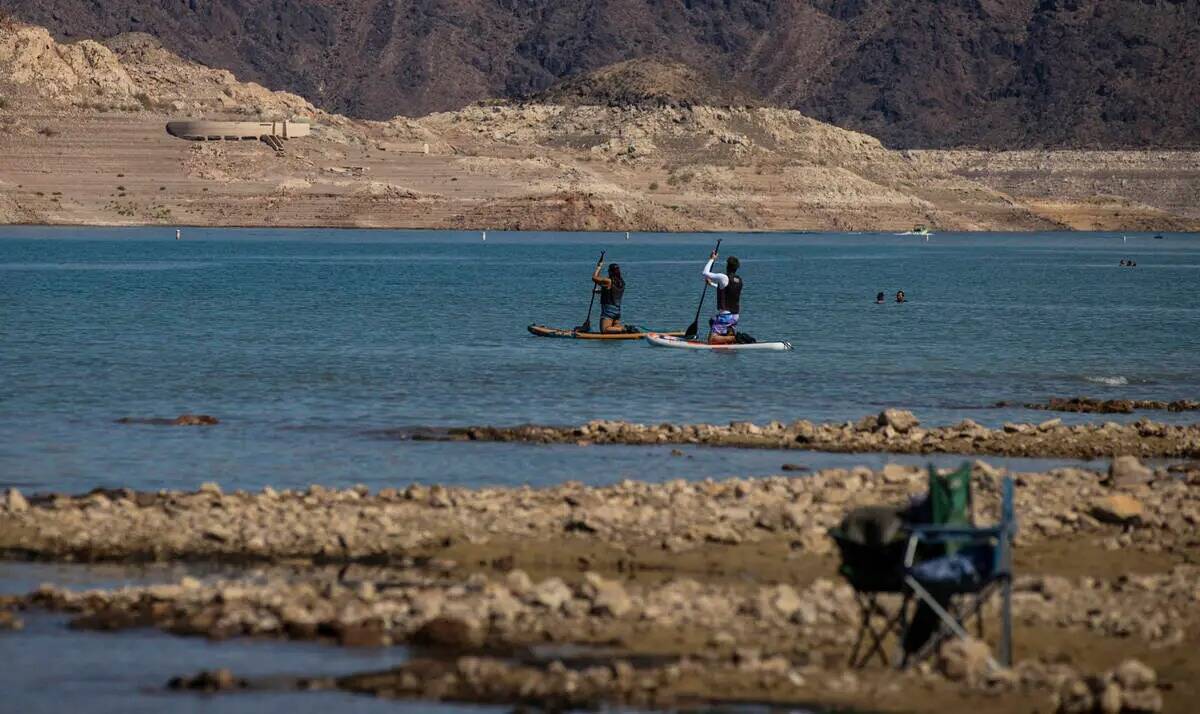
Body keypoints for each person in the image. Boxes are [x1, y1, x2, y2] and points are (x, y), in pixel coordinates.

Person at [701, 248, 742, 344]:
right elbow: (727, 291)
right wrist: (711, 284)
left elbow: (705, 273)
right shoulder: (739, 280)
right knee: (712, 321)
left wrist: (712, 259)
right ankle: (728, 335)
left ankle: (735, 338)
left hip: (726, 316)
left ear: (727, 266)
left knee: (711, 340)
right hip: (735, 316)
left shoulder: (723, 277)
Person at [591, 261, 625, 333]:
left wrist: (598, 267)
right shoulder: (621, 282)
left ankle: (624, 329)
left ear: (611, 272)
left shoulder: (608, 281)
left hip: (608, 311)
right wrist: (599, 291)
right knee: (613, 330)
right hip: (617, 311)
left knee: (604, 330)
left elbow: (594, 278)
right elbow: (612, 292)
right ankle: (622, 329)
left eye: (609, 271)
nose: (608, 273)